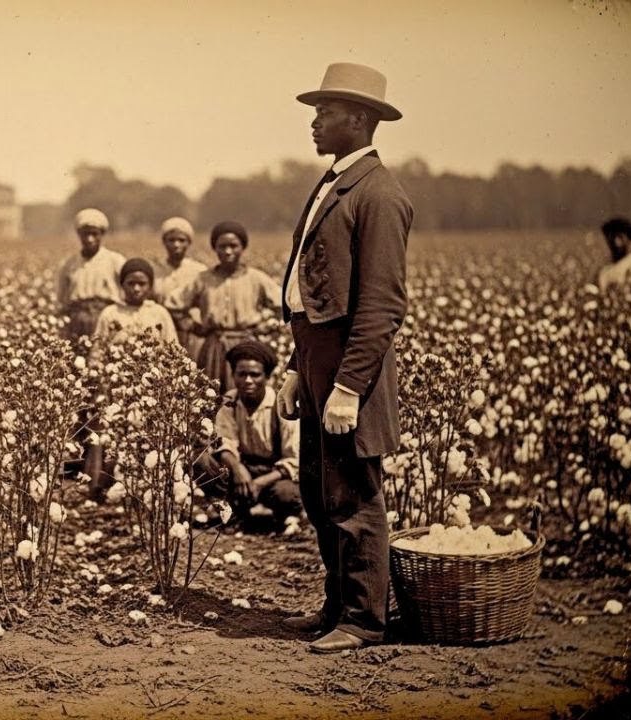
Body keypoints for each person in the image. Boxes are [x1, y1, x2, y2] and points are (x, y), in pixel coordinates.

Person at [276, 63, 412, 653]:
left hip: (349, 371)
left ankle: (363, 620)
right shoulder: (334, 182)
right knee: (317, 489)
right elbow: (315, 290)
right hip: (316, 363)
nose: (314, 122)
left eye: (324, 112)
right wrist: (292, 367)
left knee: (355, 494)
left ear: (359, 119)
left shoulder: (380, 195)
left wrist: (349, 386)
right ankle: (338, 605)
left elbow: (381, 305)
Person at [85, 258, 178, 498]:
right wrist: (101, 382)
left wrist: (167, 381)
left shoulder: (159, 313)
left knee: (148, 433)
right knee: (114, 433)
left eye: (142, 283)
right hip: (117, 386)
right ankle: (107, 485)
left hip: (151, 386)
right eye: (131, 283)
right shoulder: (110, 313)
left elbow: (172, 349)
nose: (136, 289)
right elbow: (97, 351)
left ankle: (147, 486)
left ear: (150, 286)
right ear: (122, 284)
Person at [195, 340, 301, 528]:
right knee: (201, 461)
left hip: (272, 474)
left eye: (255, 375)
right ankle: (235, 509)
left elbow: (293, 460)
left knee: (287, 494)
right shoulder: (230, 401)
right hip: (240, 471)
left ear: (266, 376)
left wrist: (259, 483)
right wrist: (238, 470)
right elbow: (224, 442)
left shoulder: (280, 405)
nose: (248, 381)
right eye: (242, 374)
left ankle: (266, 511)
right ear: (233, 375)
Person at [174, 221, 281, 393]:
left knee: (246, 392)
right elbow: (174, 304)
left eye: (233, 246)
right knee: (211, 395)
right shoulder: (203, 279)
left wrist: (268, 326)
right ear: (215, 248)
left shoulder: (256, 279)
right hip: (215, 346)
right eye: (222, 246)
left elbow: (283, 304)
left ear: (243, 247)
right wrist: (193, 326)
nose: (228, 251)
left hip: (247, 344)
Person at [56, 208, 126, 349]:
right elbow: (62, 299)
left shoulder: (115, 261)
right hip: (77, 320)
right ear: (79, 235)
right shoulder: (68, 264)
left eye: (95, 234)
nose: (90, 239)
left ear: (102, 234)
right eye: (85, 234)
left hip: (106, 318)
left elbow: (127, 293)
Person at [152, 217, 208, 359]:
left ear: (189, 242)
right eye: (171, 240)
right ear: (164, 242)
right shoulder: (155, 271)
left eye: (182, 240)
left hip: (190, 332)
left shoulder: (199, 271)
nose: (176, 244)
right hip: (161, 329)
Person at [596, 216, 631, 296]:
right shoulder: (604, 271)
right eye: (611, 236)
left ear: (630, 240)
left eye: (620, 237)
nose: (616, 242)